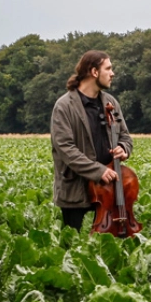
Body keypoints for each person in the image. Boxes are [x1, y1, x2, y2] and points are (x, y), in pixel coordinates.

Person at [51, 50, 133, 231]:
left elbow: (125, 137)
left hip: (108, 192)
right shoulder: (64, 106)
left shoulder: (110, 103)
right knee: (75, 249)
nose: (113, 73)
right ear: (94, 72)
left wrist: (123, 148)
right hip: (76, 194)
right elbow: (66, 149)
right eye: (108, 69)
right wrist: (98, 171)